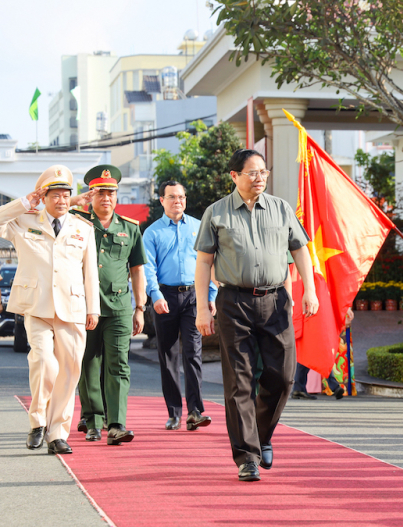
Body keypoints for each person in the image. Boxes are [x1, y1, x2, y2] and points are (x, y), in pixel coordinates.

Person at [194, 149, 318, 482]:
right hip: (234, 303)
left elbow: (299, 249)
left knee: (283, 376)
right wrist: (202, 307)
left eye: (263, 171)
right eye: (252, 172)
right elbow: (204, 262)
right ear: (234, 176)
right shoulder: (216, 213)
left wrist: (310, 289)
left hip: (276, 301)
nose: (259, 177)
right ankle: (247, 456)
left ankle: (262, 436)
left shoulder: (280, 208)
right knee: (239, 382)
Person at [0, 166, 99, 454]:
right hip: (37, 307)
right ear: (43, 198)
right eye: (54, 195)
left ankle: (57, 434)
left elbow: (90, 272)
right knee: (43, 362)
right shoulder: (23, 221)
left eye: (65, 195)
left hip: (72, 307)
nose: (61, 200)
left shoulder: (83, 228)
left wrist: (93, 308)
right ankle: (38, 421)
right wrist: (23, 203)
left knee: (69, 371)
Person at [69, 165, 147, 446]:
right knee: (88, 363)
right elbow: (47, 213)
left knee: (119, 365)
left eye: (111, 193)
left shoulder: (129, 227)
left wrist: (140, 308)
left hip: (118, 307)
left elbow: (137, 269)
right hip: (83, 305)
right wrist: (75, 199)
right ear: (91, 195)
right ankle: (92, 420)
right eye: (100, 193)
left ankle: (116, 424)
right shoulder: (74, 221)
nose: (106, 198)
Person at [142, 181, 217, 431]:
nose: (178, 201)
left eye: (182, 197)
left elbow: (211, 263)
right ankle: (174, 412)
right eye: (172, 197)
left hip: (194, 297)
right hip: (165, 297)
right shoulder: (152, 232)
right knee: (168, 355)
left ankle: (195, 411)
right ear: (161, 200)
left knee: (193, 353)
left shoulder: (198, 227)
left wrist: (211, 295)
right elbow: (148, 268)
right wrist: (155, 295)